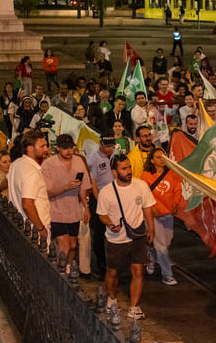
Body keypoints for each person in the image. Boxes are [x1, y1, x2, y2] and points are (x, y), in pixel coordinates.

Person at [96, 155, 156, 319]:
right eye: (124, 168)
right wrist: (110, 223)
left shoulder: (141, 186)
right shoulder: (107, 192)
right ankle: (111, 299)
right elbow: (101, 214)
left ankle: (134, 306)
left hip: (137, 237)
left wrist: (151, 228)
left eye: (129, 167)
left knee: (138, 271)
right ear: (114, 172)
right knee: (113, 272)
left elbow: (148, 208)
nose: (129, 171)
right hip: (116, 240)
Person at [41, 134, 91, 270]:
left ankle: (67, 269)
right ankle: (62, 272)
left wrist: (86, 207)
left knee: (73, 245)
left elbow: (83, 188)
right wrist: (66, 187)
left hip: (74, 211)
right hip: (56, 211)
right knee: (65, 245)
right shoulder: (48, 165)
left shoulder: (79, 161)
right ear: (57, 148)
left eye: (71, 148)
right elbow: (47, 192)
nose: (69, 151)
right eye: (65, 148)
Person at [141, 147, 183, 286]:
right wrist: (152, 208)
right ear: (152, 160)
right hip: (153, 216)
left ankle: (151, 256)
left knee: (167, 242)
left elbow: (177, 189)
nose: (161, 159)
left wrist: (176, 204)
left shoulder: (172, 173)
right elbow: (144, 195)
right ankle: (167, 275)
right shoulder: (146, 176)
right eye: (158, 157)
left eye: (163, 156)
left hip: (168, 214)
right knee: (161, 246)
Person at [7, 130, 51, 243]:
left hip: (22, 226)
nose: (46, 149)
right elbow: (27, 204)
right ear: (30, 148)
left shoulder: (17, 163)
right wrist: (41, 228)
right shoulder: (31, 171)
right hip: (34, 230)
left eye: (46, 145)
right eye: (42, 146)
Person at [87, 136, 116, 278]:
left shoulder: (115, 155)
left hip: (114, 197)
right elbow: (93, 183)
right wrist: (100, 202)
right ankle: (101, 263)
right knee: (99, 232)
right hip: (99, 198)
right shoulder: (93, 159)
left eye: (112, 146)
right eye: (107, 146)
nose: (110, 149)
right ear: (101, 145)